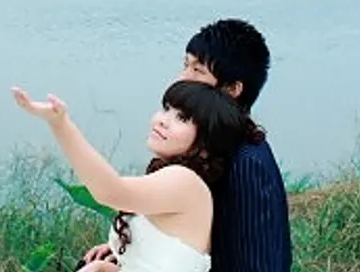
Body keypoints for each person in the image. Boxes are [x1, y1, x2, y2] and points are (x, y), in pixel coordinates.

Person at [81, 18, 292, 271]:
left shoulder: (247, 160)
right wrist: (130, 252)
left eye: (197, 71)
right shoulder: (200, 143)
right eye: (185, 65)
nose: (182, 78)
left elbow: (261, 262)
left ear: (232, 89)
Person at [12, 79, 257, 272]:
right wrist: (106, 267)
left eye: (181, 118)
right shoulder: (174, 179)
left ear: (205, 144)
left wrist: (60, 124)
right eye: (166, 109)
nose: (162, 121)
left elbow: (111, 192)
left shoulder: (185, 182)